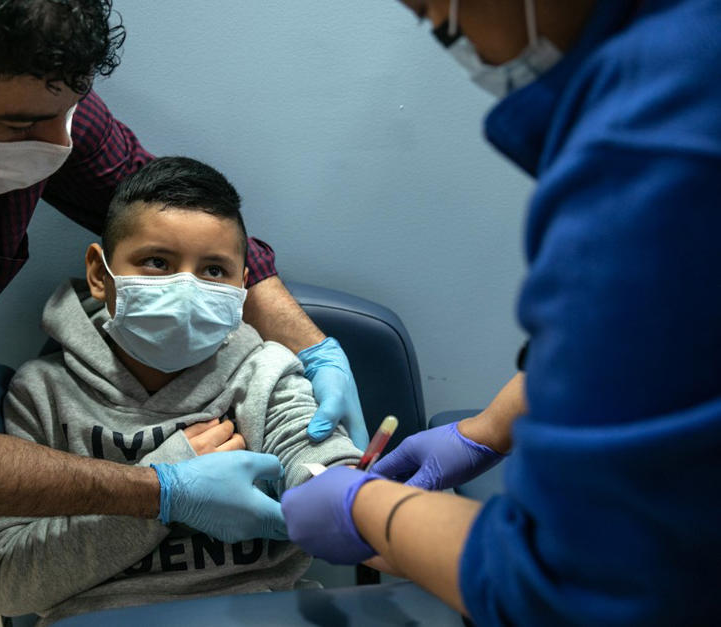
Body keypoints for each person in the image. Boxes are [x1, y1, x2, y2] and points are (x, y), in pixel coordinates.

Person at [0, 0, 368, 597]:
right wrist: (162, 489)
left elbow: (162, 206)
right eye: (20, 127)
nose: (56, 146)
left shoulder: (30, 84)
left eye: (68, 112)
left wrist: (317, 356)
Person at [282, 0, 721, 624]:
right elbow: (666, 351)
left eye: (432, 12)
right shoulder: (688, 68)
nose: (446, 31)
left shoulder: (654, 144)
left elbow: (572, 586)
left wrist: (371, 511)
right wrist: (487, 429)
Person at [0, 156, 362, 624]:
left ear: (243, 288)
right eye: (157, 263)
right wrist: (162, 484)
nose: (186, 290)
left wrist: (351, 494)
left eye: (213, 271)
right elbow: (8, 582)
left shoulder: (266, 372)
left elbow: (315, 458)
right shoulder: (43, 394)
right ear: (99, 274)